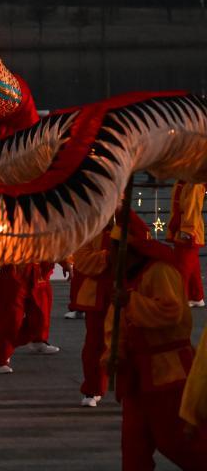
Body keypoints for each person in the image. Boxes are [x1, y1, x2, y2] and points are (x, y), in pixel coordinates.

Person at [104, 219, 207, 468]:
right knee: (133, 447)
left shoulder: (161, 271)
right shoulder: (124, 279)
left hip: (167, 372)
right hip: (137, 375)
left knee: (178, 442)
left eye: (115, 248)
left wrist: (132, 301)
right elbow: (114, 323)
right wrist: (112, 354)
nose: (110, 254)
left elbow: (173, 313)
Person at [71, 204, 148, 407]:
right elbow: (80, 259)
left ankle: (129, 389)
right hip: (96, 292)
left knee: (127, 341)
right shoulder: (88, 223)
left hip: (123, 289)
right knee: (95, 342)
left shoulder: (128, 219)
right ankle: (93, 388)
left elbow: (143, 244)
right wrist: (107, 257)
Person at [0, 260, 69, 373]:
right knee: (12, 318)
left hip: (40, 271)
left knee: (40, 319)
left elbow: (56, 242)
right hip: (15, 270)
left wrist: (66, 261)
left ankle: (2, 344)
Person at [167, 181, 206, 307]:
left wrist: (187, 230)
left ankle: (181, 297)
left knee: (182, 266)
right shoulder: (183, 181)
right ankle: (196, 296)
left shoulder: (194, 184)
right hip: (182, 226)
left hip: (188, 230)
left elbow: (193, 208)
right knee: (191, 265)